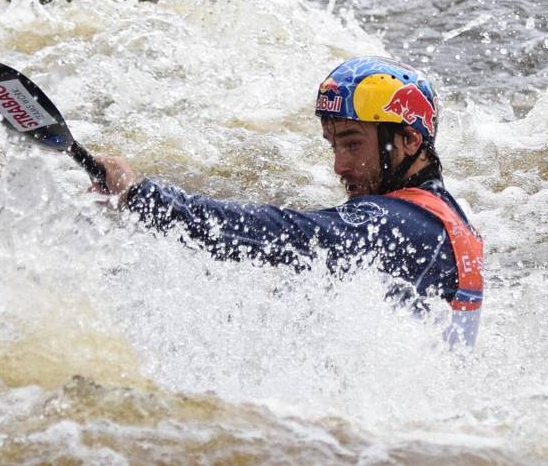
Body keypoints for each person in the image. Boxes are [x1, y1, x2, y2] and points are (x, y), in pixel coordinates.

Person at [94, 57, 483, 347]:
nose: (339, 166)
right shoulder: (444, 216)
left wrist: (143, 196)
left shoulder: (404, 223)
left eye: (352, 143)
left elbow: (283, 234)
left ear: (409, 141)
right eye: (333, 146)